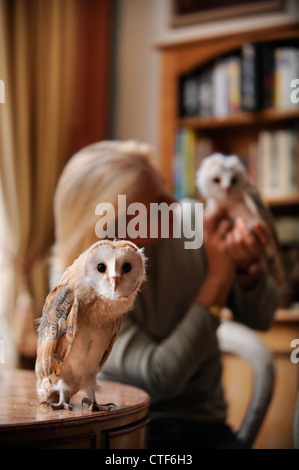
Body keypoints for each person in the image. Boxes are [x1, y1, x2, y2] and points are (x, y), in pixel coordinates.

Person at [51, 140, 279, 449]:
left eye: (166, 188)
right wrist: (219, 276)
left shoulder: (191, 224)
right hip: (125, 429)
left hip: (205, 425)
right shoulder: (79, 288)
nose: (175, 203)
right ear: (113, 225)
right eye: (157, 200)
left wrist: (247, 269)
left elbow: (261, 318)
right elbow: (161, 376)